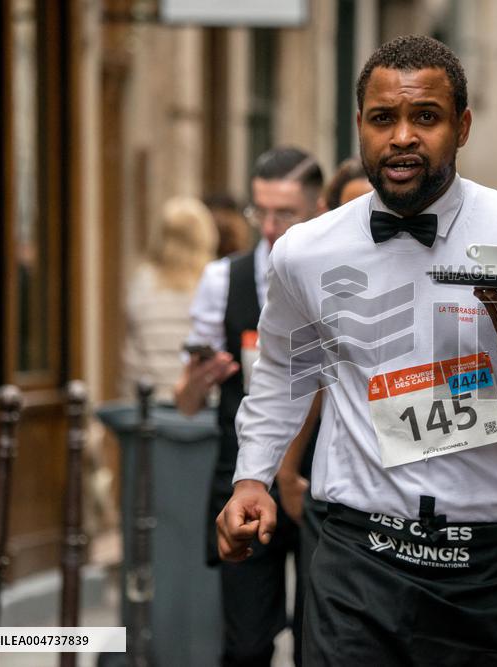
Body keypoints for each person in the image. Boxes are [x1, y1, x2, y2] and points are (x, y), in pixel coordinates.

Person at [215, 35, 497, 666]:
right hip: (357, 562)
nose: (403, 137)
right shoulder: (306, 251)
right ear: (360, 124)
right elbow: (282, 374)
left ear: (462, 126)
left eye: (426, 117)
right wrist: (253, 475)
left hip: (489, 575)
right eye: (384, 118)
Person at [174, 146, 324, 667]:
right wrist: (199, 380)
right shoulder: (224, 280)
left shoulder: (334, 274)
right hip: (241, 475)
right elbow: (187, 403)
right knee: (245, 644)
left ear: (316, 208)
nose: (268, 225)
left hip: (316, 478)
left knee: (318, 641)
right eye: (259, 211)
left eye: (284, 213)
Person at [123, 196, 217, 402]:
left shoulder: (142, 282)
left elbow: (133, 353)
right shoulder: (215, 280)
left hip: (151, 404)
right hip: (201, 407)